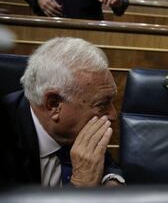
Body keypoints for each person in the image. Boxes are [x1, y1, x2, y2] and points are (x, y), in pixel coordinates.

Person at [0, 37, 125, 187]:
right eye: (102, 104)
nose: (113, 115)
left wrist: (112, 180)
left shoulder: (71, 130)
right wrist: (80, 186)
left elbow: (106, 162)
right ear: (54, 105)